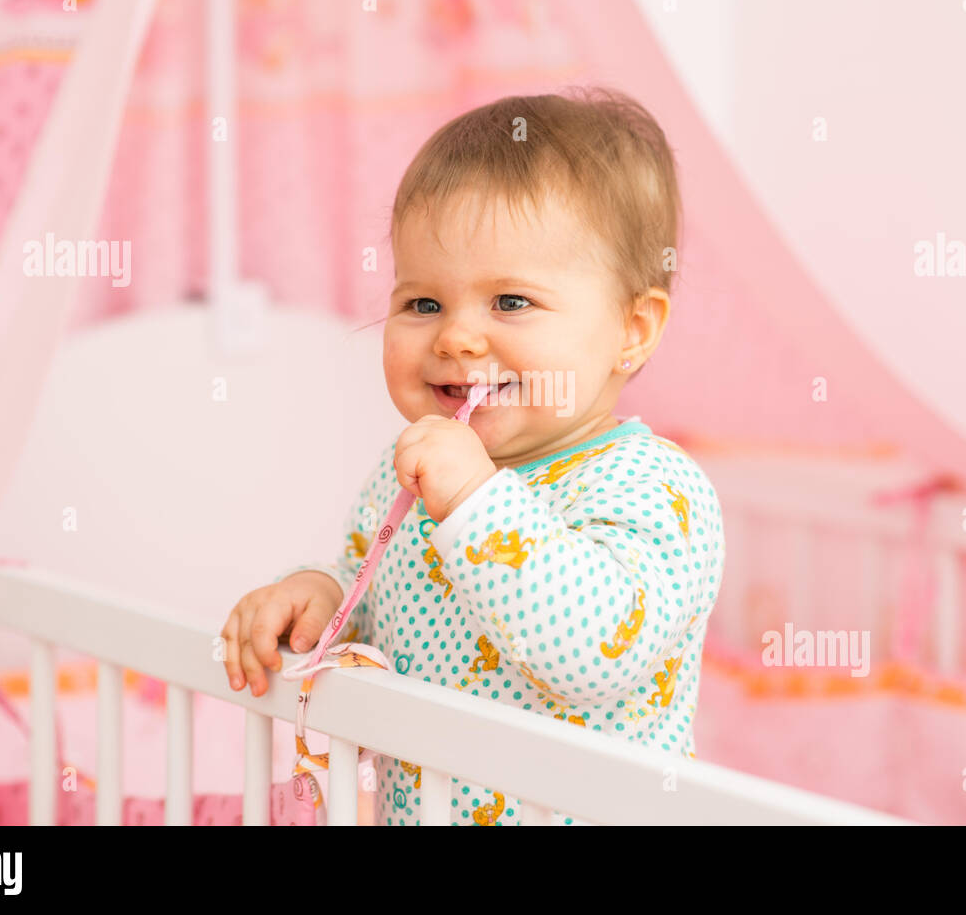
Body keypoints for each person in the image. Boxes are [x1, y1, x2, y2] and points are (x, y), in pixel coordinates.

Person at [221, 86, 725, 825]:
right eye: (423, 303)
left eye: (511, 302)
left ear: (633, 328)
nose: (456, 337)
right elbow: (375, 596)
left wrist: (476, 501)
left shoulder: (655, 488)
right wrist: (321, 596)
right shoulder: (409, 480)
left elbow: (593, 652)